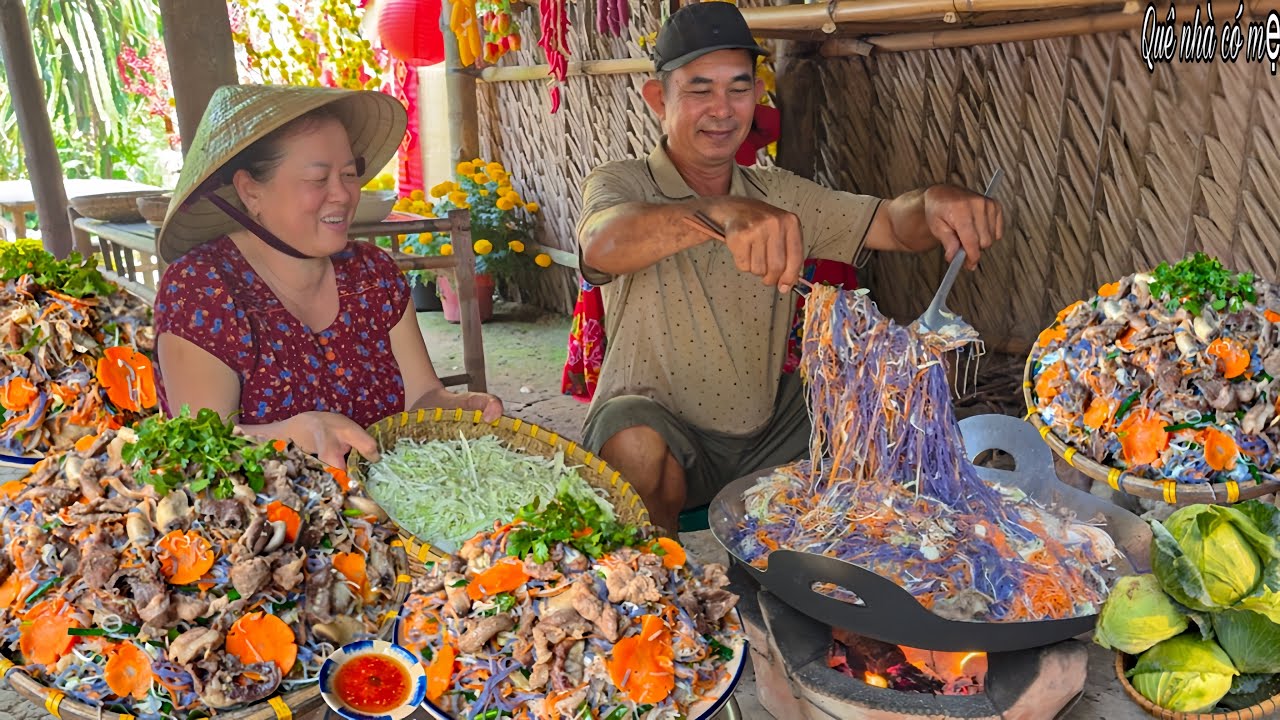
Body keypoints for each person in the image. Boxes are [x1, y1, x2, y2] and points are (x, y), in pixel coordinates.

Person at [575, 2, 1005, 534]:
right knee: (632, 437)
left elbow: (893, 225)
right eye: (699, 89)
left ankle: (834, 566)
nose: (722, 109)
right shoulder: (623, 182)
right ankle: (655, 573)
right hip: (664, 437)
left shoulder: (780, 194)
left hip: (769, 432)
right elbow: (601, 244)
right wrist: (720, 213)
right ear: (658, 99)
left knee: (872, 399)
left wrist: (936, 201)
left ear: (757, 96)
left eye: (738, 89)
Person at [153, 84, 503, 469]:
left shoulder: (373, 275)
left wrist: (453, 408)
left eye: (349, 174)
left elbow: (421, 398)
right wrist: (293, 434)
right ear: (250, 191)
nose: (343, 194)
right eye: (319, 179)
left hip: (385, 499)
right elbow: (199, 450)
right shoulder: (201, 289)